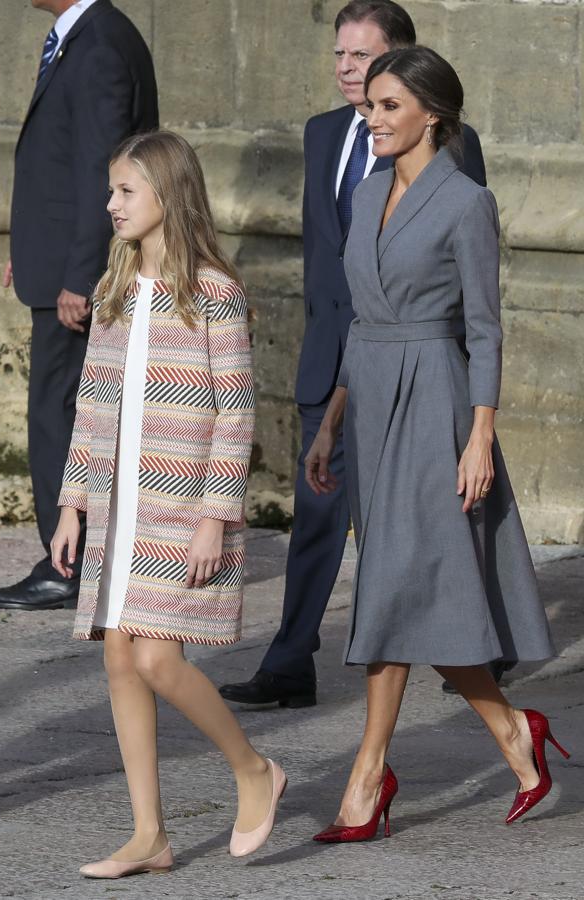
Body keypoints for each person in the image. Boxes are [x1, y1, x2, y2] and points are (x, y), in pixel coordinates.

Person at [303, 46, 569, 843]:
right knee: (408, 589)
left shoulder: (466, 202)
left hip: (437, 401)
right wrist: (331, 420)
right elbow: (361, 317)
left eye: (388, 105)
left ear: (433, 114)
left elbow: (485, 331)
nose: (372, 117)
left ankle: (365, 779)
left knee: (392, 583)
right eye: (370, 105)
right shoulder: (371, 188)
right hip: (374, 397)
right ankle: (517, 735)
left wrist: (480, 435)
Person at [219, 0, 489, 709]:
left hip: (416, 368)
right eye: (339, 55)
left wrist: (456, 384)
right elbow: (325, 257)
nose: (346, 69)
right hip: (334, 365)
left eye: (362, 57)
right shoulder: (321, 135)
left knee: (426, 520)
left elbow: (464, 273)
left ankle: (481, 647)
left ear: (401, 62)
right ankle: (289, 663)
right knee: (315, 513)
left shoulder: (451, 148)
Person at [50, 131, 286, 877]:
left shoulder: (213, 290)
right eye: (112, 190)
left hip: (179, 506)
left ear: (167, 196)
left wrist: (216, 514)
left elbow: (235, 412)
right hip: (119, 507)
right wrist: (71, 503)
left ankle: (252, 769)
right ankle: (149, 833)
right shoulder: (115, 289)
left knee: (156, 655)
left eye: (126, 191)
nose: (110, 204)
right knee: (120, 654)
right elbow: (91, 403)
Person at [0, 0, 158, 612]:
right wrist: (33, 250)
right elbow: (60, 163)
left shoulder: (101, 43)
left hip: (78, 275)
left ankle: (69, 564)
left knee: (60, 416)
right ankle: (81, 558)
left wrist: (81, 274)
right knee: (69, 413)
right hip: (59, 261)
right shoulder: (81, 36)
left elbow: (104, 169)